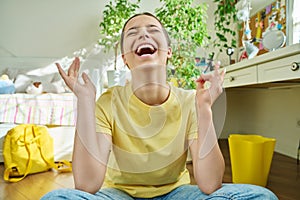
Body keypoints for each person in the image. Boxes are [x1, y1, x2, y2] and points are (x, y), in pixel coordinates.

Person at [41, 12, 278, 200]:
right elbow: (86, 185)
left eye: (152, 30)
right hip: (118, 195)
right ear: (125, 57)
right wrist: (84, 102)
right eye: (133, 32)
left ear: (168, 52)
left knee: (260, 196)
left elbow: (210, 184)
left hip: (177, 194)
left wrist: (204, 109)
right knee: (57, 198)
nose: (143, 35)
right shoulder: (108, 102)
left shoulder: (189, 101)